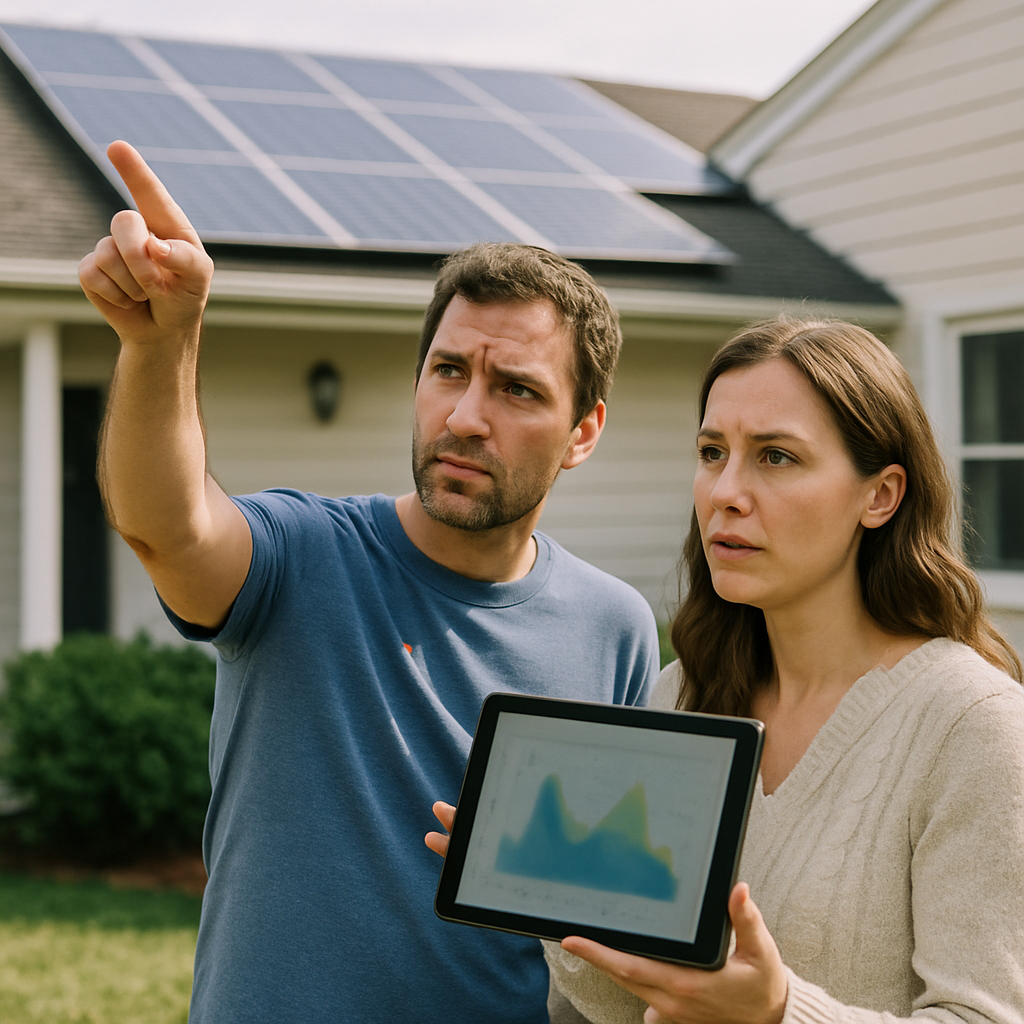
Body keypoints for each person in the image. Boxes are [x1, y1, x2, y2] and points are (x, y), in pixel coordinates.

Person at [79, 140, 659, 1024]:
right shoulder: (306, 554)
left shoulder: (614, 627)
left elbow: (601, 910)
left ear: (584, 432)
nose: (467, 417)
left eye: (517, 390)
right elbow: (167, 526)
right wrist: (161, 345)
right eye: (450, 372)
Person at [433, 318, 1024, 1024]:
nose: (726, 492)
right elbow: (609, 1011)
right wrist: (559, 905)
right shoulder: (681, 693)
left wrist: (778, 1013)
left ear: (881, 495)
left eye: (776, 457)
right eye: (713, 452)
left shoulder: (972, 725)